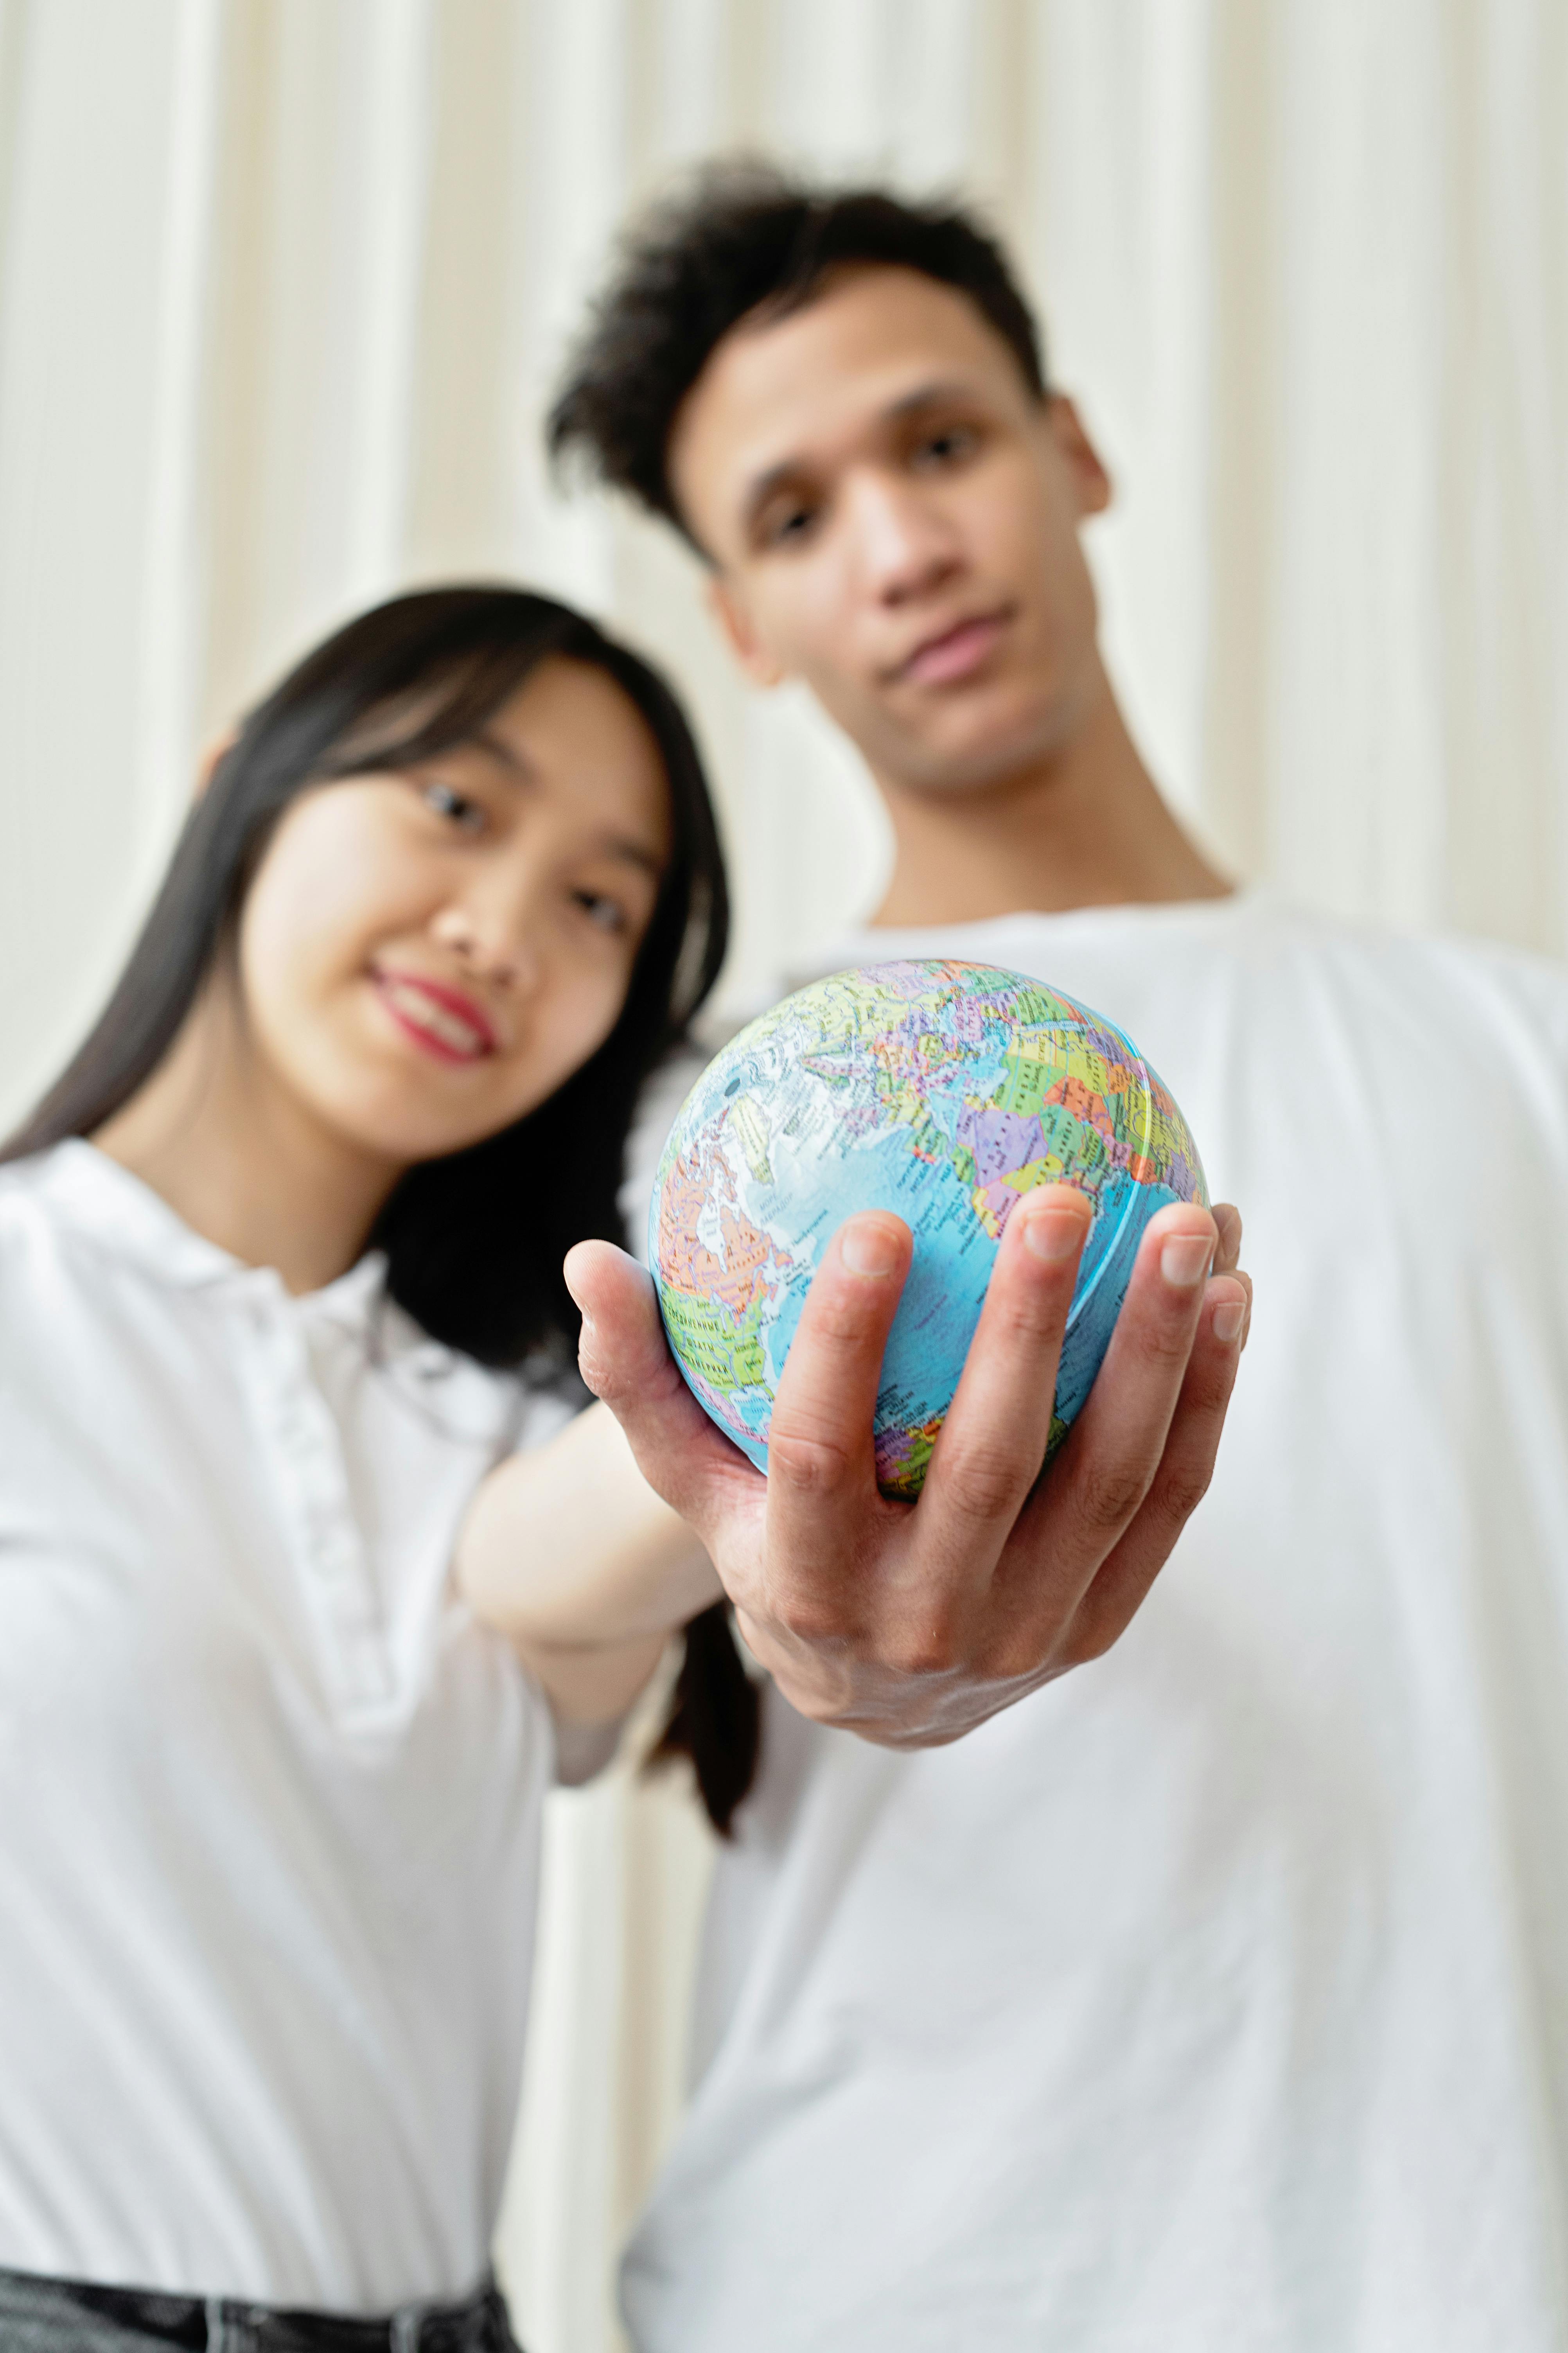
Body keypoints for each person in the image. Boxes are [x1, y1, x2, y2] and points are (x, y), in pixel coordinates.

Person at [549, 170, 1568, 2352]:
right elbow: (517, 1644)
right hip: (883, 2288)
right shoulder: (694, 1152)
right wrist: (758, 1574)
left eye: (938, 442)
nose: (901, 547)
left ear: (1073, 451)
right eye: (796, 516)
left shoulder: (1523, 1046)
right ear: (743, 622)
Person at [0, 578, 1239, 2352]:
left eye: (599, 903)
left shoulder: (506, 1400)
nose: (503, 931)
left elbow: (536, 1570)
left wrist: (759, 1451)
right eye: (455, 802)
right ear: (237, 786)